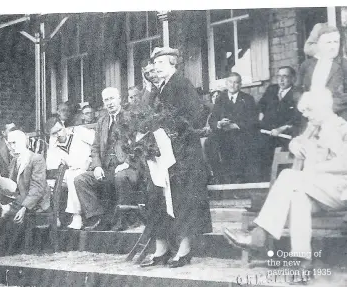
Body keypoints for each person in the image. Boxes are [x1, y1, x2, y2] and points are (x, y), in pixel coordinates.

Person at [223, 89, 347, 284]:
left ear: (323, 108)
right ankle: (303, 263)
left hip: (339, 192)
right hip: (315, 191)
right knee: (298, 196)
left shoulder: (341, 128)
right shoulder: (313, 127)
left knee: (289, 176)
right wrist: (294, 145)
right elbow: (297, 140)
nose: (305, 115)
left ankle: (258, 235)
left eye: (309, 111)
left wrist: (315, 170)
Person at [139, 47, 211, 268]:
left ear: (172, 64)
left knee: (184, 200)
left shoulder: (181, 84)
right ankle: (161, 249)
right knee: (156, 198)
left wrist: (171, 130)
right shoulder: (157, 89)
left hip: (184, 154)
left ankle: (184, 249)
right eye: (154, 64)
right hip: (164, 155)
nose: (155, 67)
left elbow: (196, 115)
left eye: (160, 63)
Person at [0, 130, 51, 259]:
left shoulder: (36, 159)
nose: (12, 147)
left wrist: (24, 208)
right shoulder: (14, 161)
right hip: (18, 201)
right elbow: (13, 186)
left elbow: (38, 189)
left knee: (5, 220)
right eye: (9, 144)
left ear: (25, 142)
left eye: (15, 143)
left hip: (36, 203)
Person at [73, 87, 140, 231]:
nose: (109, 103)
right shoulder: (102, 122)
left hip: (128, 168)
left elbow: (138, 144)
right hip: (106, 168)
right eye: (106, 100)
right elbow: (95, 147)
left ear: (119, 99)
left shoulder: (131, 118)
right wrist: (97, 166)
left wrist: (127, 162)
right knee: (80, 180)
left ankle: (124, 220)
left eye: (112, 99)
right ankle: (98, 217)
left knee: (120, 177)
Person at [208, 72, 260, 184]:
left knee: (240, 143)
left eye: (236, 82)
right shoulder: (220, 99)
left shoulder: (247, 99)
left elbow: (253, 121)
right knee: (210, 142)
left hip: (241, 134)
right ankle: (219, 177)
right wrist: (219, 123)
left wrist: (236, 125)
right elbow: (212, 120)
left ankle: (238, 179)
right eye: (230, 82)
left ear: (240, 85)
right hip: (223, 135)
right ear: (226, 84)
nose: (232, 85)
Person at [46, 119, 95, 230]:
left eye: (59, 130)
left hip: (90, 169)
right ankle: (68, 216)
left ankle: (77, 216)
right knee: (71, 175)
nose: (59, 134)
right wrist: (53, 146)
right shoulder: (54, 145)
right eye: (54, 133)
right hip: (72, 173)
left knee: (73, 176)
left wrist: (90, 161)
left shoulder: (79, 131)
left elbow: (98, 145)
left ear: (63, 125)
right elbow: (51, 166)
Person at [257, 66, 304, 181]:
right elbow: (261, 107)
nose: (281, 80)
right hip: (267, 132)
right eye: (279, 76)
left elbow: (297, 118)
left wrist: (281, 129)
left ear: (293, 79)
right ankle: (261, 183)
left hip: (284, 135)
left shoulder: (297, 93)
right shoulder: (272, 89)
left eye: (285, 76)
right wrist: (261, 120)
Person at [297, 23, 347, 121]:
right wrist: (302, 100)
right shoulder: (306, 65)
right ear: (319, 44)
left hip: (338, 120)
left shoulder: (344, 65)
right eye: (328, 42)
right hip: (311, 120)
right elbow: (296, 90)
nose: (333, 46)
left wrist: (326, 106)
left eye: (336, 42)